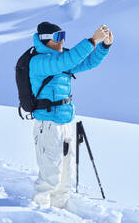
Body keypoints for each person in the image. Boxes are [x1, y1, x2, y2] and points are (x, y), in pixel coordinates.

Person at [29, 21, 114, 209]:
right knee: (50, 176)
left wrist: (104, 45)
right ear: (45, 40)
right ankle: (38, 213)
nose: (62, 40)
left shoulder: (60, 59)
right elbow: (67, 61)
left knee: (66, 177)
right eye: (58, 37)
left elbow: (87, 62)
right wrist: (92, 40)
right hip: (48, 125)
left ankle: (59, 213)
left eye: (63, 35)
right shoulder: (40, 61)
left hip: (66, 122)